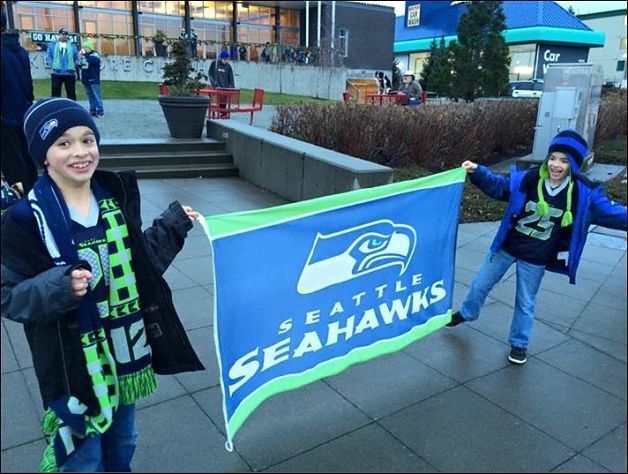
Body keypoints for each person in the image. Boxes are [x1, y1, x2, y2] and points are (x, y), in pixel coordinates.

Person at [0, 98, 205, 472]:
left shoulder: (113, 198)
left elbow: (140, 266)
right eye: (63, 143)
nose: (80, 152)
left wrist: (173, 226)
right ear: (43, 155)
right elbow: (9, 295)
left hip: (125, 357)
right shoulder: (25, 219)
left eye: (87, 140)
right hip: (71, 370)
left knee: (124, 441)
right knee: (83, 457)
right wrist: (58, 287)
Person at [447, 129, 627, 365]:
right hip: (508, 246)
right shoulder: (529, 179)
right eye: (553, 158)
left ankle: (519, 343)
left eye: (564, 161)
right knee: (480, 284)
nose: (556, 165)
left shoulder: (584, 193)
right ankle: (467, 313)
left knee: (525, 301)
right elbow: (500, 187)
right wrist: (478, 171)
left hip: (536, 256)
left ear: (572, 164)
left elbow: (614, 213)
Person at [1, 9, 38, 194]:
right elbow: (28, 83)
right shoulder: (20, 50)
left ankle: (22, 203)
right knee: (26, 158)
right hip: (23, 111)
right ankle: (34, 197)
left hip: (5, 116)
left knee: (13, 164)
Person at [46, 28, 80, 100]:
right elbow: (49, 56)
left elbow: (76, 57)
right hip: (57, 73)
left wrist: (74, 64)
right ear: (59, 35)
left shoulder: (72, 46)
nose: (64, 36)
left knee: (71, 94)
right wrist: (53, 64)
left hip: (69, 73)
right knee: (55, 94)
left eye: (66, 34)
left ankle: (72, 109)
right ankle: (56, 109)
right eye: (63, 34)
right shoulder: (52, 45)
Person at [79, 41, 104, 117]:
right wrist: (79, 63)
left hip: (93, 79)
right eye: (83, 47)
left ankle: (100, 111)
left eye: (85, 47)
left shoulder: (94, 55)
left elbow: (92, 61)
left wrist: (84, 54)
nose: (84, 49)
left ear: (89, 47)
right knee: (90, 95)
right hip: (86, 79)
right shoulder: (85, 56)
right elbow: (83, 66)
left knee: (96, 95)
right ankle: (92, 110)